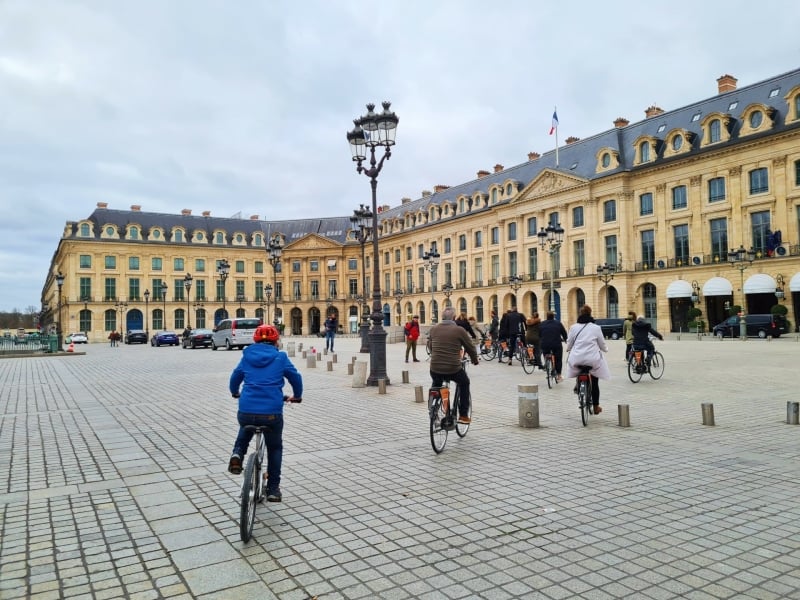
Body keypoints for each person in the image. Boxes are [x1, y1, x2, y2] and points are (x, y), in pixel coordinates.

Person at [228, 324, 303, 503]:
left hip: (246, 408)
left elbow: (235, 378)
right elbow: (295, 378)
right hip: (272, 413)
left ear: (255, 340)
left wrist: (235, 392)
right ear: (276, 341)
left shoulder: (246, 356)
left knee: (246, 423)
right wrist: (297, 396)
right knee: (275, 447)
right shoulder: (280, 357)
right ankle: (273, 489)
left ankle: (237, 454)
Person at [429, 306, 479, 424]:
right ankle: (463, 415)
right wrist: (474, 359)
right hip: (453, 368)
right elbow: (470, 347)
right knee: (464, 382)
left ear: (441, 317)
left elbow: (431, 347)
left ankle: (433, 409)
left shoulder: (434, 329)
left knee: (436, 385)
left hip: (435, 367)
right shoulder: (459, 330)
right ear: (454, 317)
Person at [565, 305, 610, 414]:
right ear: (590, 313)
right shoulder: (596, 328)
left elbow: (569, 343)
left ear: (580, 314)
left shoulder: (573, 327)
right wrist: (605, 349)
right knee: (594, 381)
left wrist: (568, 348)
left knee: (576, 366)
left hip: (577, 358)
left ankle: (578, 383)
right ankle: (595, 407)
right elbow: (602, 344)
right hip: (592, 359)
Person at [539, 311, 568, 381]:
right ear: (553, 317)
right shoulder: (558, 323)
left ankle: (546, 363)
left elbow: (539, 334)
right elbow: (564, 333)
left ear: (547, 316)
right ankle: (559, 375)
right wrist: (566, 340)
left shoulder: (542, 324)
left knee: (545, 352)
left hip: (545, 344)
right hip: (556, 344)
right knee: (558, 359)